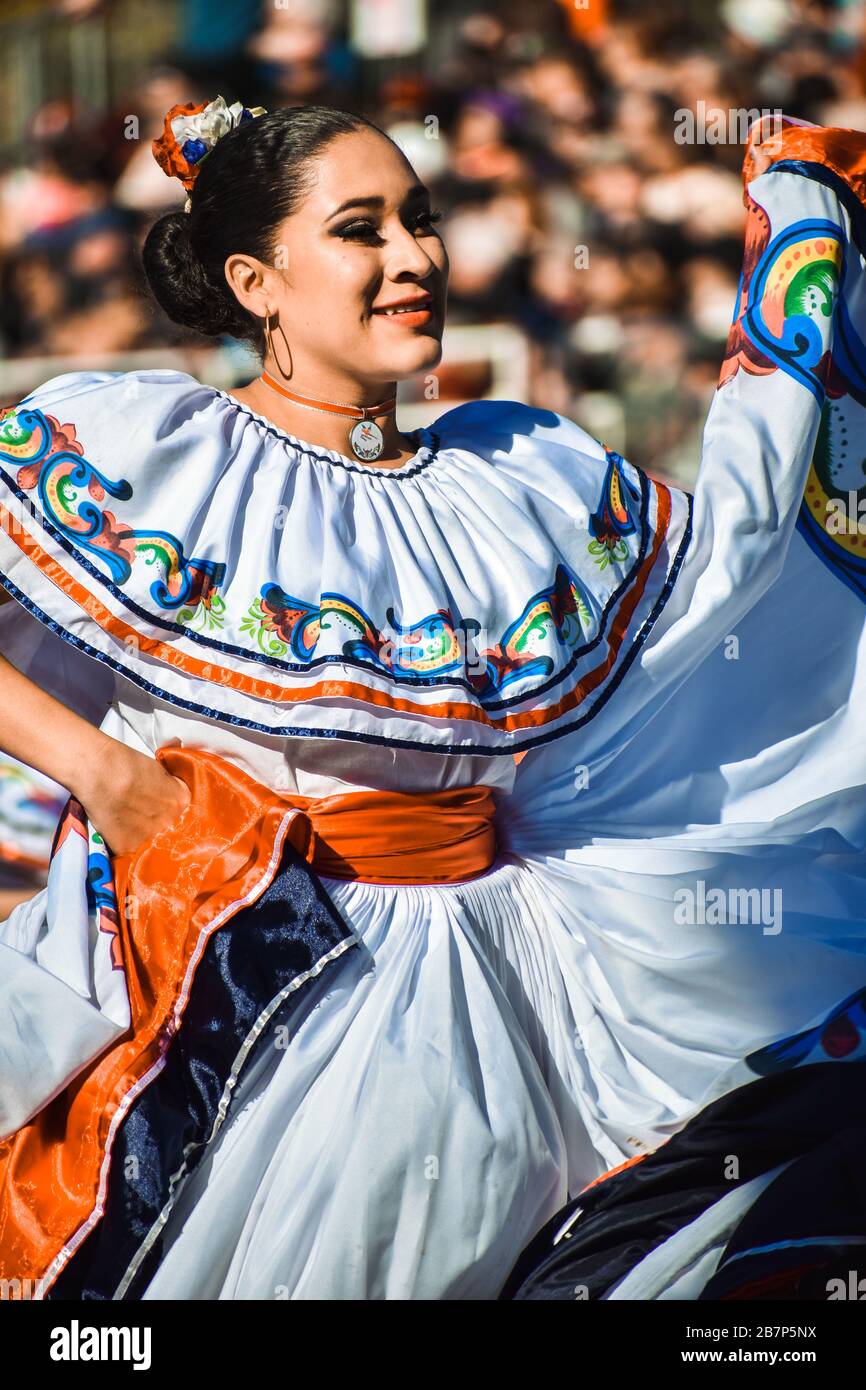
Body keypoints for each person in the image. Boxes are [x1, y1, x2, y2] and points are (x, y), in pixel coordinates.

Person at [0, 97, 864, 1302]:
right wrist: (106, 776)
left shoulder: (515, 473)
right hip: (235, 997)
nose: (414, 258)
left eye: (421, 220)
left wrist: (801, 271)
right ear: (256, 280)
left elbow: (730, 560)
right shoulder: (156, 445)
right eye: (360, 229)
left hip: (492, 989)